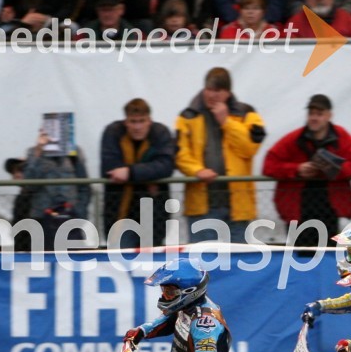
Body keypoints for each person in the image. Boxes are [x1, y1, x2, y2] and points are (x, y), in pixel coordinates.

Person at [176, 67, 265, 243]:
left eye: (217, 91)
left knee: (238, 258)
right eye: (209, 89)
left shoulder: (247, 113)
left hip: (237, 207)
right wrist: (197, 170)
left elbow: (249, 148)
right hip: (202, 206)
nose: (212, 95)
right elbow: (179, 152)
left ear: (228, 93)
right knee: (203, 258)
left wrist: (226, 122)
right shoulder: (188, 115)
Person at [262, 94, 351, 247]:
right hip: (299, 210)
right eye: (311, 113)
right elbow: (269, 165)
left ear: (329, 115)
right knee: (300, 256)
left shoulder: (342, 138)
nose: (314, 118)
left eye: (319, 114)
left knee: (328, 254)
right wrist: (297, 169)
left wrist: (331, 168)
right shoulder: (294, 139)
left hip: (330, 210)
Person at [102, 98, 176, 249]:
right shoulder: (113, 132)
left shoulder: (160, 133)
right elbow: (110, 168)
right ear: (126, 122)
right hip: (120, 213)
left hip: (154, 213)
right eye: (133, 121)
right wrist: (149, 173)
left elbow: (166, 166)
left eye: (142, 121)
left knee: (150, 258)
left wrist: (129, 172)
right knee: (122, 258)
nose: (137, 127)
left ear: (149, 121)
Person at [23, 129, 90, 251]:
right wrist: (39, 151)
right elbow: (28, 184)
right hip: (42, 217)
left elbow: (84, 186)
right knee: (44, 258)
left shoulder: (74, 152)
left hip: (71, 215)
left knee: (74, 257)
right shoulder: (34, 152)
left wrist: (80, 212)